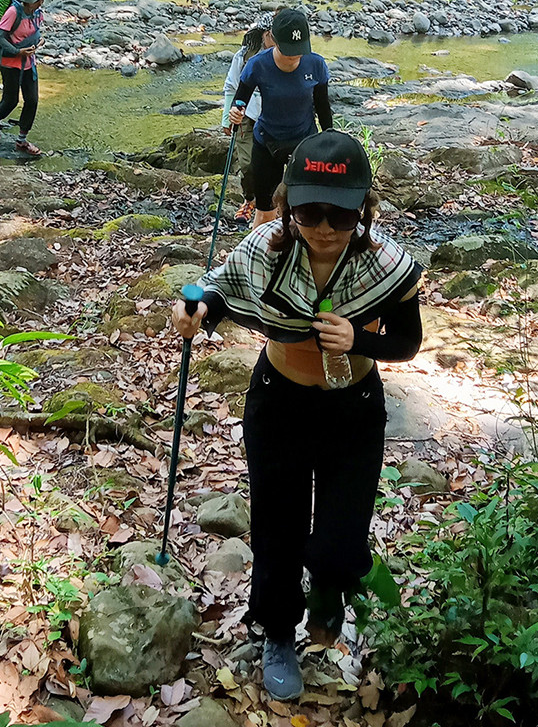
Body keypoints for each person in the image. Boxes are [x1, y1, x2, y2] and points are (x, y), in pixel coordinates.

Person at [171, 131, 422, 702]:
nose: (325, 227)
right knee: (278, 531)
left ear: (364, 208)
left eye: (341, 213)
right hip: (278, 403)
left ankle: (331, 588)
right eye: (309, 212)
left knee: (339, 542)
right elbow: (220, 294)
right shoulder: (266, 248)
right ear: (287, 205)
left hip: (353, 411)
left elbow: (407, 341)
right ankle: (279, 634)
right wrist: (197, 313)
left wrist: (360, 339)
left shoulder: (387, 263)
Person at [229, 7, 332, 228]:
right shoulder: (258, 65)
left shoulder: (316, 65)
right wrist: (235, 112)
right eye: (289, 50)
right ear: (274, 40)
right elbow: (240, 99)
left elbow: (323, 107)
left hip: (304, 143)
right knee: (265, 211)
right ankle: (259, 255)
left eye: (299, 50)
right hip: (267, 142)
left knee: (305, 210)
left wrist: (330, 136)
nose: (295, 56)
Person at [223, 12, 275, 224]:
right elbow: (231, 86)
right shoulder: (244, 56)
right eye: (273, 35)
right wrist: (227, 118)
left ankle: (275, 204)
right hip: (246, 117)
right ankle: (249, 200)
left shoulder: (286, 56)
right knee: (247, 164)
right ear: (264, 35)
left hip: (273, 117)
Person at [0, 0, 47, 155]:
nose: (40, 2)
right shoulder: (13, 12)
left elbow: (35, 33)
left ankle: (22, 140)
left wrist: (39, 41)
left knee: (32, 100)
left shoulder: (38, 13)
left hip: (29, 63)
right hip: (10, 63)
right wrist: (17, 51)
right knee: (11, 100)